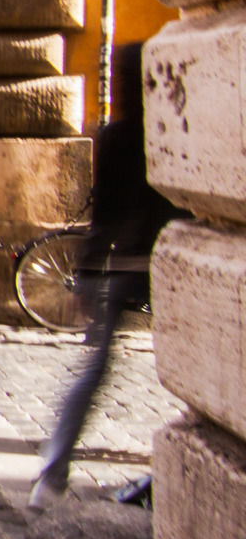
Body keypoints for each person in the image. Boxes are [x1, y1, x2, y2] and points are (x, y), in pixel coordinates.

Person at [33, 42, 188, 507]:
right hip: (165, 264)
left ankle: (52, 475)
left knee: (94, 370)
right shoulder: (169, 133)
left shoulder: (116, 135)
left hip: (119, 267)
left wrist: (84, 273)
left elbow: (102, 215)